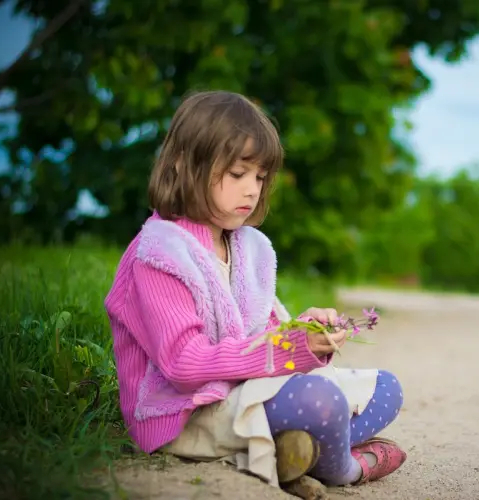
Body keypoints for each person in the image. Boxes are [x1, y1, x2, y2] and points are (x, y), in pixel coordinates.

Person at [104, 90, 407, 488]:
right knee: (322, 402)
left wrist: (303, 332)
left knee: (386, 387)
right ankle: (344, 467)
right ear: (183, 164)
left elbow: (261, 338)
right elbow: (183, 365)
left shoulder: (247, 247)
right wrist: (288, 350)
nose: (252, 189)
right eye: (237, 175)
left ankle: (297, 451)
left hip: (242, 392)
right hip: (187, 412)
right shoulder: (161, 253)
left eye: (260, 177)